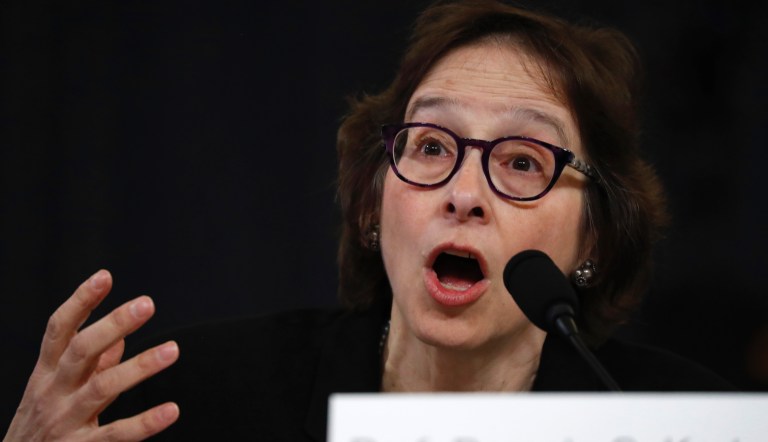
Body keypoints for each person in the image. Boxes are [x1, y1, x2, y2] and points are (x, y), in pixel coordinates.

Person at [4, 0, 734, 440]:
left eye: (522, 160)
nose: (465, 194)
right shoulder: (196, 403)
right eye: (432, 146)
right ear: (370, 204)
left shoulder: (673, 419)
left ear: (594, 239)